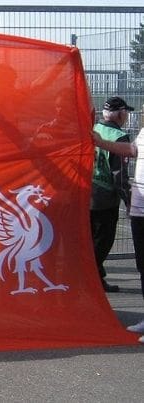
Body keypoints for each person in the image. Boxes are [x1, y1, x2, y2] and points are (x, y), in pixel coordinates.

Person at [92, 100, 144, 344]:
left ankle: (94, 281)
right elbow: (126, 162)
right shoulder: (127, 135)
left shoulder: (98, 128)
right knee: (137, 263)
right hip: (121, 203)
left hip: (95, 196)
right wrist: (127, 200)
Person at [90, 96, 134, 293]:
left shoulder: (95, 130)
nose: (126, 116)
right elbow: (120, 175)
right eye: (126, 112)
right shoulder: (119, 137)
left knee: (91, 238)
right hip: (105, 197)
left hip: (88, 191)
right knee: (103, 241)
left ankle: (97, 278)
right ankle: (91, 279)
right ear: (120, 114)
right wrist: (129, 200)